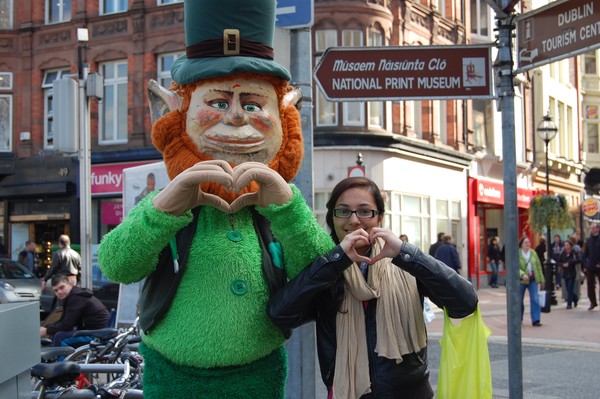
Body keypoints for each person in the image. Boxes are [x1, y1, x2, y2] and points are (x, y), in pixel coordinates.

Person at [98, 1, 334, 397]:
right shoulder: (170, 203)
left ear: (284, 114)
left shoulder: (276, 205)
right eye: (219, 103)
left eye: (254, 104)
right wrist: (165, 207)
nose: (237, 117)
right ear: (178, 112)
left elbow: (320, 274)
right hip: (174, 378)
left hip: (256, 376)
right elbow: (118, 264)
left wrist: (288, 208)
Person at [268, 177, 478, 398]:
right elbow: (280, 315)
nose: (354, 220)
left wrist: (407, 255)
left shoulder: (405, 261)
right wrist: (334, 261)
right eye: (343, 211)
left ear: (380, 217)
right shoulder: (324, 267)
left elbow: (465, 302)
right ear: (332, 217)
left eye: (365, 211)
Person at [40, 274, 110, 347]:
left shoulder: (76, 297)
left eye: (62, 287)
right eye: (56, 290)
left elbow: (67, 325)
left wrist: (47, 330)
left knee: (60, 337)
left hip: (99, 334)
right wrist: (47, 327)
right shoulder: (72, 296)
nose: (59, 292)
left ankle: (58, 358)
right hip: (94, 330)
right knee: (59, 334)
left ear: (70, 284)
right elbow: (64, 320)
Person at [518, 236, 545, 326]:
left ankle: (536, 319)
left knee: (535, 299)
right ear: (521, 244)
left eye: (529, 242)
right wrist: (522, 274)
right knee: (519, 300)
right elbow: (515, 267)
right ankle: (519, 317)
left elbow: (538, 266)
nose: (528, 244)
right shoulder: (518, 253)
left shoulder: (533, 253)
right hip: (521, 280)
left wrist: (541, 280)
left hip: (532, 279)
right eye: (526, 242)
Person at [558, 239, 579, 309]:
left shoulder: (573, 252)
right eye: (565, 245)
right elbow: (559, 262)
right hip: (565, 272)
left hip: (572, 272)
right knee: (568, 288)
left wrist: (570, 263)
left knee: (570, 288)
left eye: (568, 245)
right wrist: (562, 264)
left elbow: (578, 260)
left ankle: (569, 304)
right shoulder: (563, 253)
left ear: (570, 245)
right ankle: (575, 298)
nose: (566, 246)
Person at [583, 223, 600, 311]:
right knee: (590, 284)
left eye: (594, 228)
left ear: (598, 229)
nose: (593, 229)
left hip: (599, 265)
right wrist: (585, 265)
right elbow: (585, 253)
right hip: (590, 265)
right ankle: (593, 302)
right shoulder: (589, 240)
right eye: (592, 228)